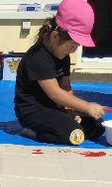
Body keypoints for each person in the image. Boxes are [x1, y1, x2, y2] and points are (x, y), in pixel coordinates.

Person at [14, 0, 105, 145]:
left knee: (98, 126)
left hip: (55, 107)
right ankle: (33, 132)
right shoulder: (38, 57)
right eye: (73, 45)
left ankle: (63, 125)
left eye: (77, 46)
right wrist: (87, 107)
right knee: (75, 135)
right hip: (33, 111)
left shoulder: (63, 56)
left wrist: (70, 109)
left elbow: (66, 86)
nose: (74, 50)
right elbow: (55, 93)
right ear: (55, 36)